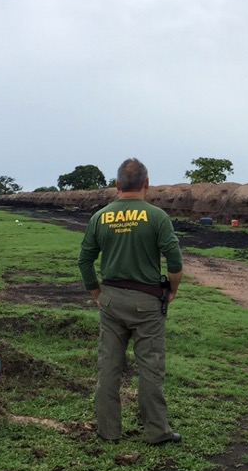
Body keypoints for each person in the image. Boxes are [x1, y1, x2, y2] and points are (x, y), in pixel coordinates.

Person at [78, 158, 183, 445]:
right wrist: (172, 290)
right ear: (147, 185)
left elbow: (85, 260)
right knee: (150, 366)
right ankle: (156, 431)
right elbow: (174, 261)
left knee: (109, 366)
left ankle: (108, 431)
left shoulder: (100, 217)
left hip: (111, 300)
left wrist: (96, 293)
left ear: (117, 185)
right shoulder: (157, 217)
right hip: (147, 301)